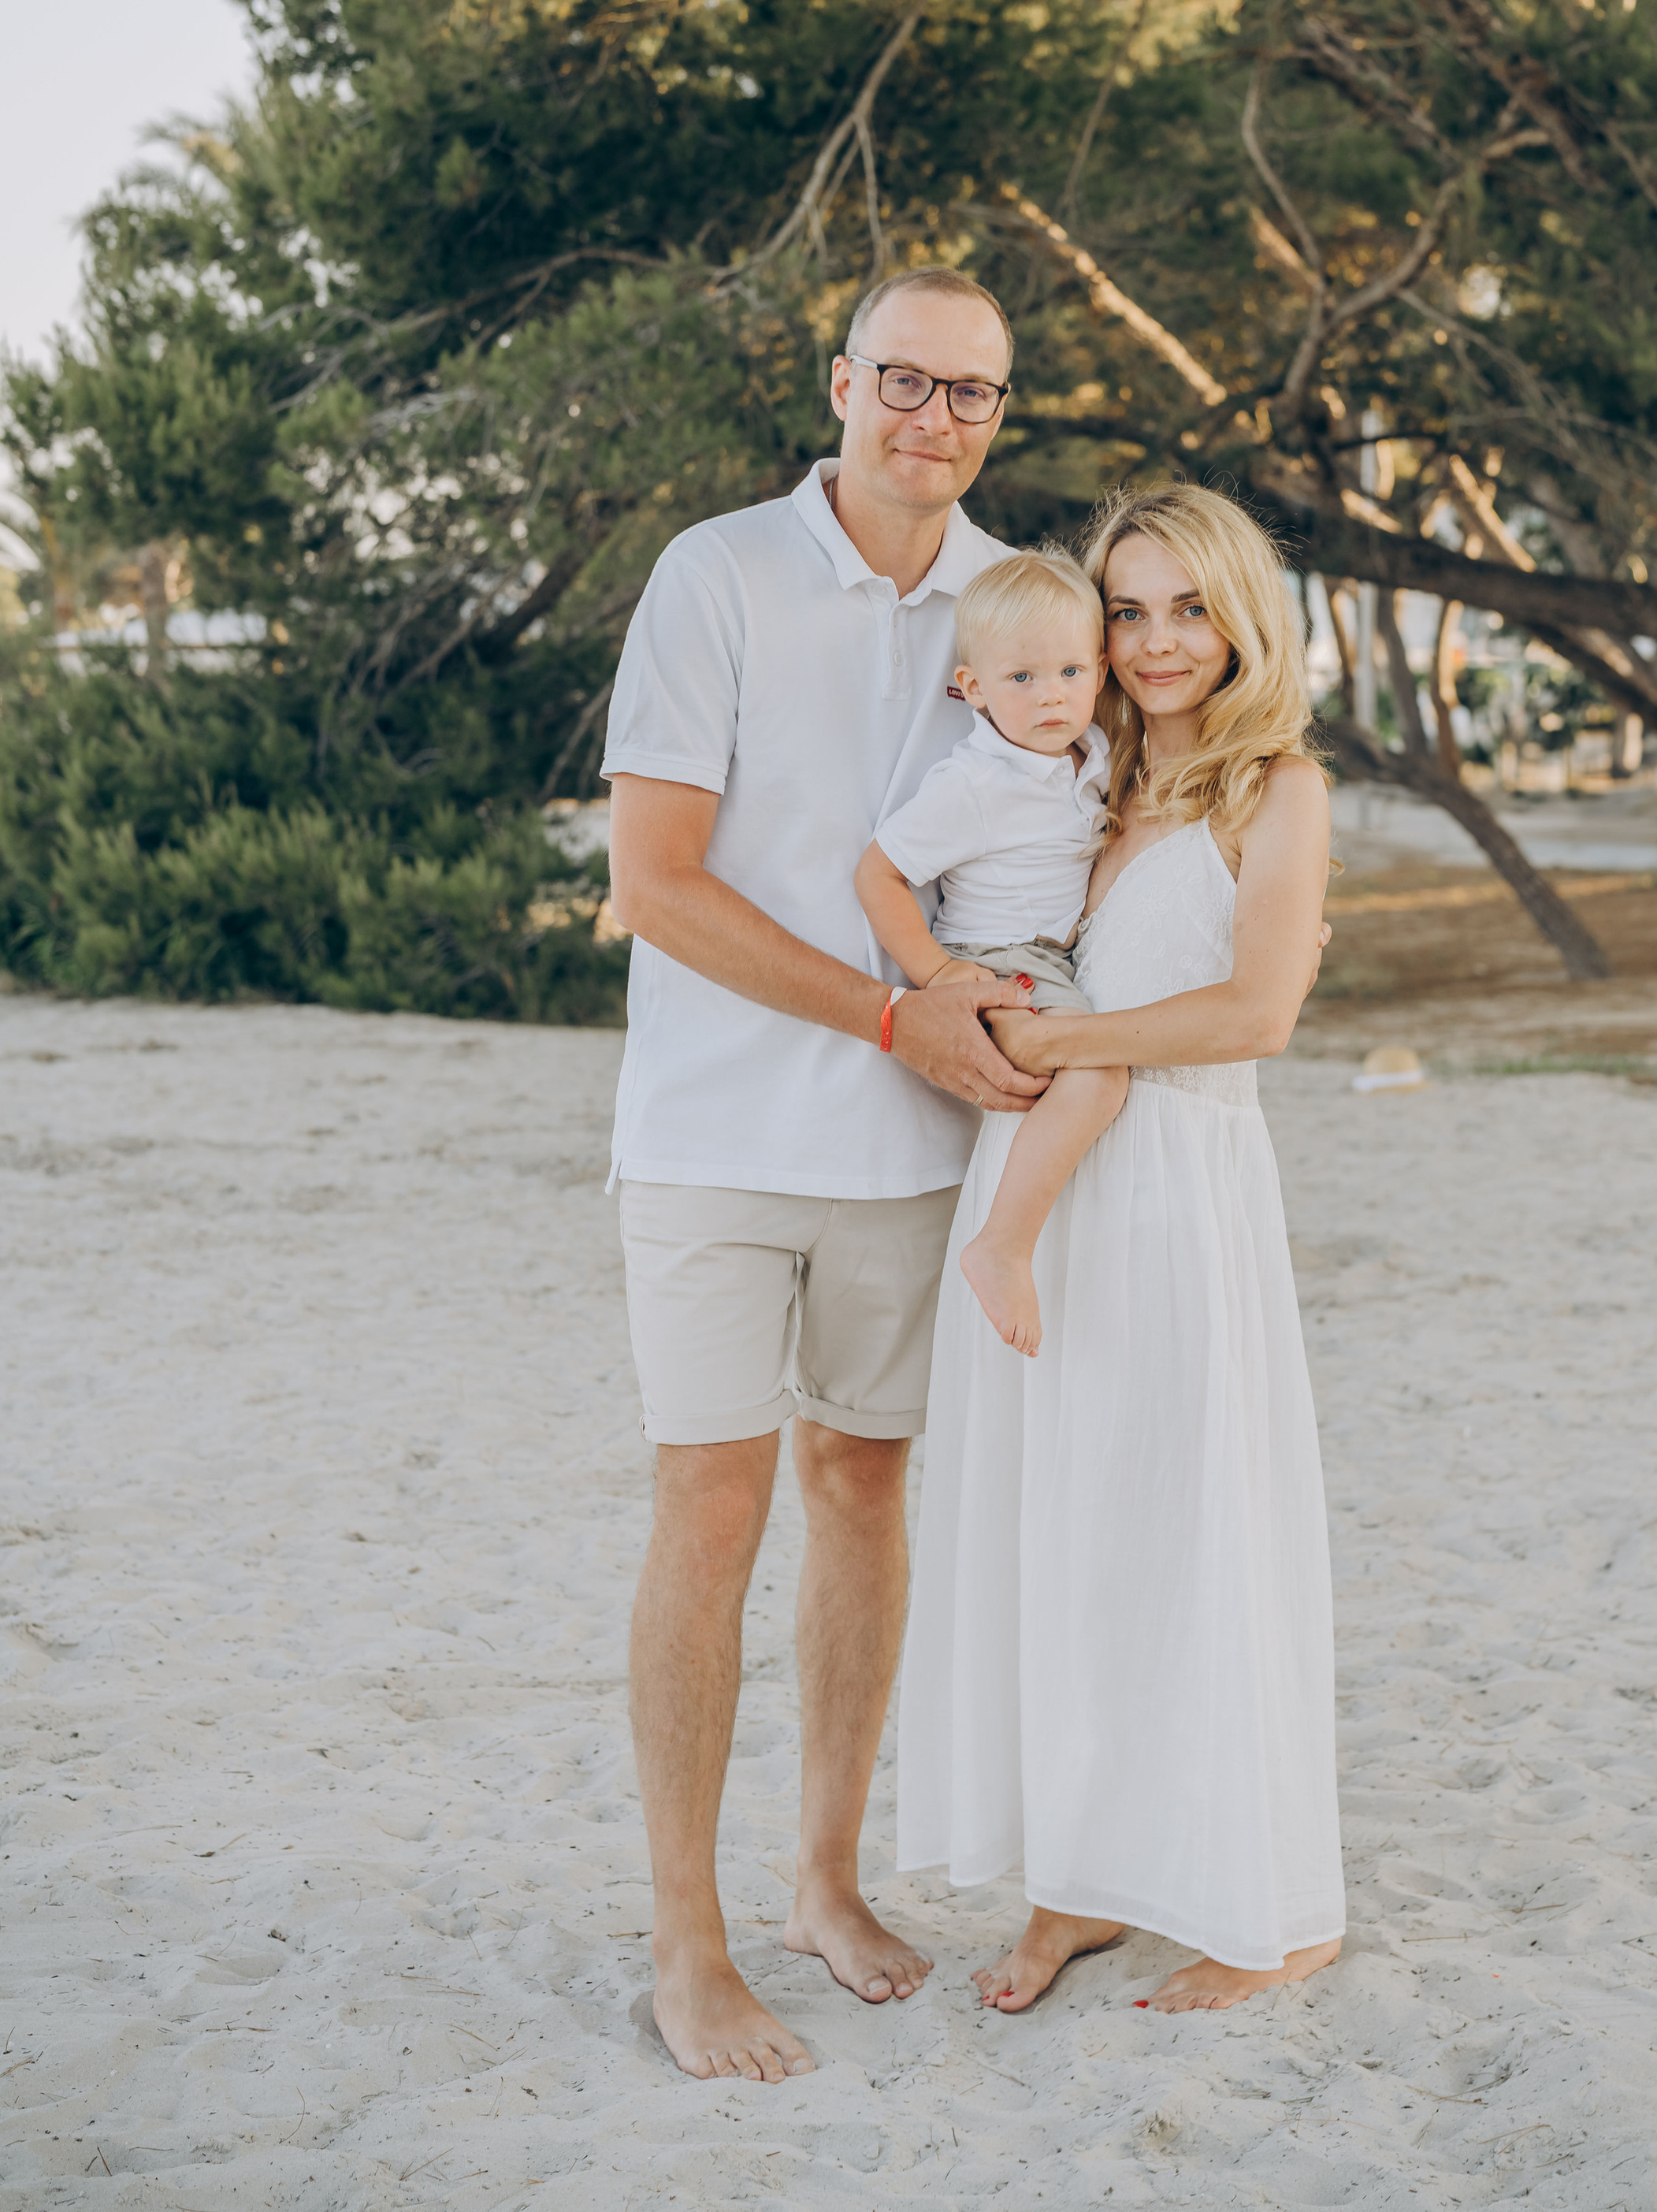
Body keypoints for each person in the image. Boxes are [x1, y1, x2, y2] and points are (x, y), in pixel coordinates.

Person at [602, 266, 1045, 2085]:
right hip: (712, 1136)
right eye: (906, 381)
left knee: (862, 1490)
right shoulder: (716, 574)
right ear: (840, 379)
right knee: (711, 1513)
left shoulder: (1018, 601)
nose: (933, 418)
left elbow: (1044, 840)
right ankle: (687, 1945)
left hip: (915, 1148)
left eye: (973, 393)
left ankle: (823, 1881)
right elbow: (659, 878)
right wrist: (890, 1016)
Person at [897, 482, 1348, 2014]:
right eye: (1130, 608)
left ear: (1240, 615)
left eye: (1188, 606)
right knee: (1063, 1544)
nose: (1158, 641)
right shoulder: (1076, 774)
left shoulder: (1270, 786)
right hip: (1041, 1186)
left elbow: (1257, 1013)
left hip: (1176, 1199)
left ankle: (1274, 1906)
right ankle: (1074, 1887)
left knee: (1190, 1536)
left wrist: (1069, 1032)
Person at [855, 548, 1128, 1358]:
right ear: (972, 689)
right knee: (1098, 1077)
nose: (1050, 694)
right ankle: (1001, 1248)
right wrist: (937, 976)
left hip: (1058, 958)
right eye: (1020, 679)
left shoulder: (1093, 755)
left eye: (1070, 671)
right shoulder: (973, 783)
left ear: (1101, 671)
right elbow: (878, 872)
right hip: (998, 960)